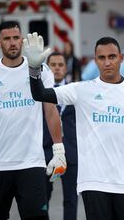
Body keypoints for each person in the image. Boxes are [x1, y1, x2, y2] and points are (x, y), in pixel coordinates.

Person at [23, 34, 124, 220]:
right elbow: (40, 94)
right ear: (95, 60)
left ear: (121, 57)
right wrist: (33, 69)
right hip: (93, 183)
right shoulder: (82, 90)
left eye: (112, 57)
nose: (107, 63)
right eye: (101, 58)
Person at [0, 21, 66, 220]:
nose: (12, 43)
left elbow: (50, 111)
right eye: (7, 38)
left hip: (31, 163)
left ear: (22, 40)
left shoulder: (41, 71)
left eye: (16, 38)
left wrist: (59, 148)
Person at [43, 52, 78, 220]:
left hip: (71, 152)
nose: (57, 68)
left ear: (66, 68)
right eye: (53, 65)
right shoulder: (40, 93)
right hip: (46, 151)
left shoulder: (76, 91)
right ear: (47, 68)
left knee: (71, 198)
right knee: (43, 198)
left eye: (60, 65)